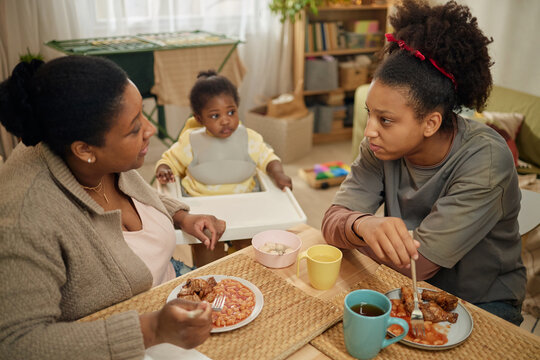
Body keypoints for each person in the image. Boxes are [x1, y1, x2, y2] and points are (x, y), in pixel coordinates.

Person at [0, 55, 227, 359]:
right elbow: (16, 343)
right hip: (123, 338)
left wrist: (180, 215)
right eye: (134, 129)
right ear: (84, 150)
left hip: (170, 285)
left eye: (142, 115)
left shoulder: (99, 155)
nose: (150, 131)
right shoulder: (26, 220)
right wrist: (150, 330)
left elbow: (139, 194)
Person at [321, 0, 526, 325]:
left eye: (386, 120)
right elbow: (331, 224)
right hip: (406, 288)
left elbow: (418, 263)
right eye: (369, 114)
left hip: (483, 301)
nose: (370, 130)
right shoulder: (378, 147)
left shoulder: (486, 159)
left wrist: (352, 232)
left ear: (430, 123)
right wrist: (363, 225)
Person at [155, 70, 292, 196]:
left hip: (245, 200)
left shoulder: (249, 138)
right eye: (215, 116)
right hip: (200, 203)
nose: (226, 121)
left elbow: (268, 158)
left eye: (231, 112)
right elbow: (170, 160)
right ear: (199, 119)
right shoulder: (190, 142)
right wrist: (164, 169)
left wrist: (278, 174)